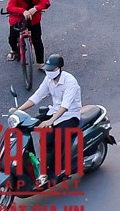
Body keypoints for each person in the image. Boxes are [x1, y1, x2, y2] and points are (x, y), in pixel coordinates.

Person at [16, 56, 82, 185]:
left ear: (60, 69)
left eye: (52, 70)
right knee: (28, 125)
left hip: (69, 115)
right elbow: (37, 97)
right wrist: (19, 110)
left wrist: (50, 121)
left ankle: (52, 171)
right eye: (48, 70)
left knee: (55, 139)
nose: (49, 72)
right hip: (53, 112)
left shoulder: (70, 82)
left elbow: (65, 106)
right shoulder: (49, 79)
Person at [3, 0, 48, 64]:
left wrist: (35, 8)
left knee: (37, 40)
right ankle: (14, 50)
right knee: (12, 37)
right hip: (18, 19)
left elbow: (45, 2)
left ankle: (40, 63)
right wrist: (23, 11)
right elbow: (10, 7)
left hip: (34, 19)